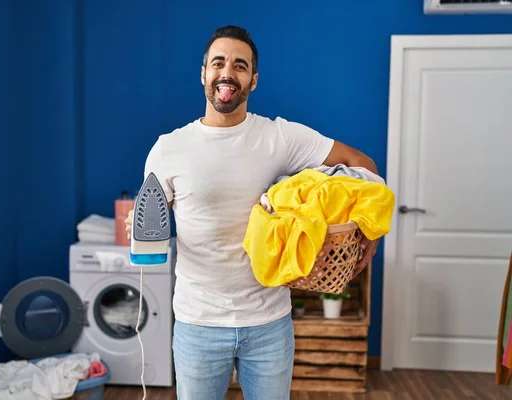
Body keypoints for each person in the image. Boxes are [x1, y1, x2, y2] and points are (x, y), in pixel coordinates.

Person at [125, 25, 378, 400]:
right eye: (218, 63)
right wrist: (139, 225)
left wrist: (368, 232)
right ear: (204, 74)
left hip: (269, 323)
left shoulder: (280, 138)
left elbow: (362, 164)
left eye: (240, 66)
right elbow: (152, 221)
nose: (228, 72)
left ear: (253, 80)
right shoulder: (168, 149)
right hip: (198, 323)